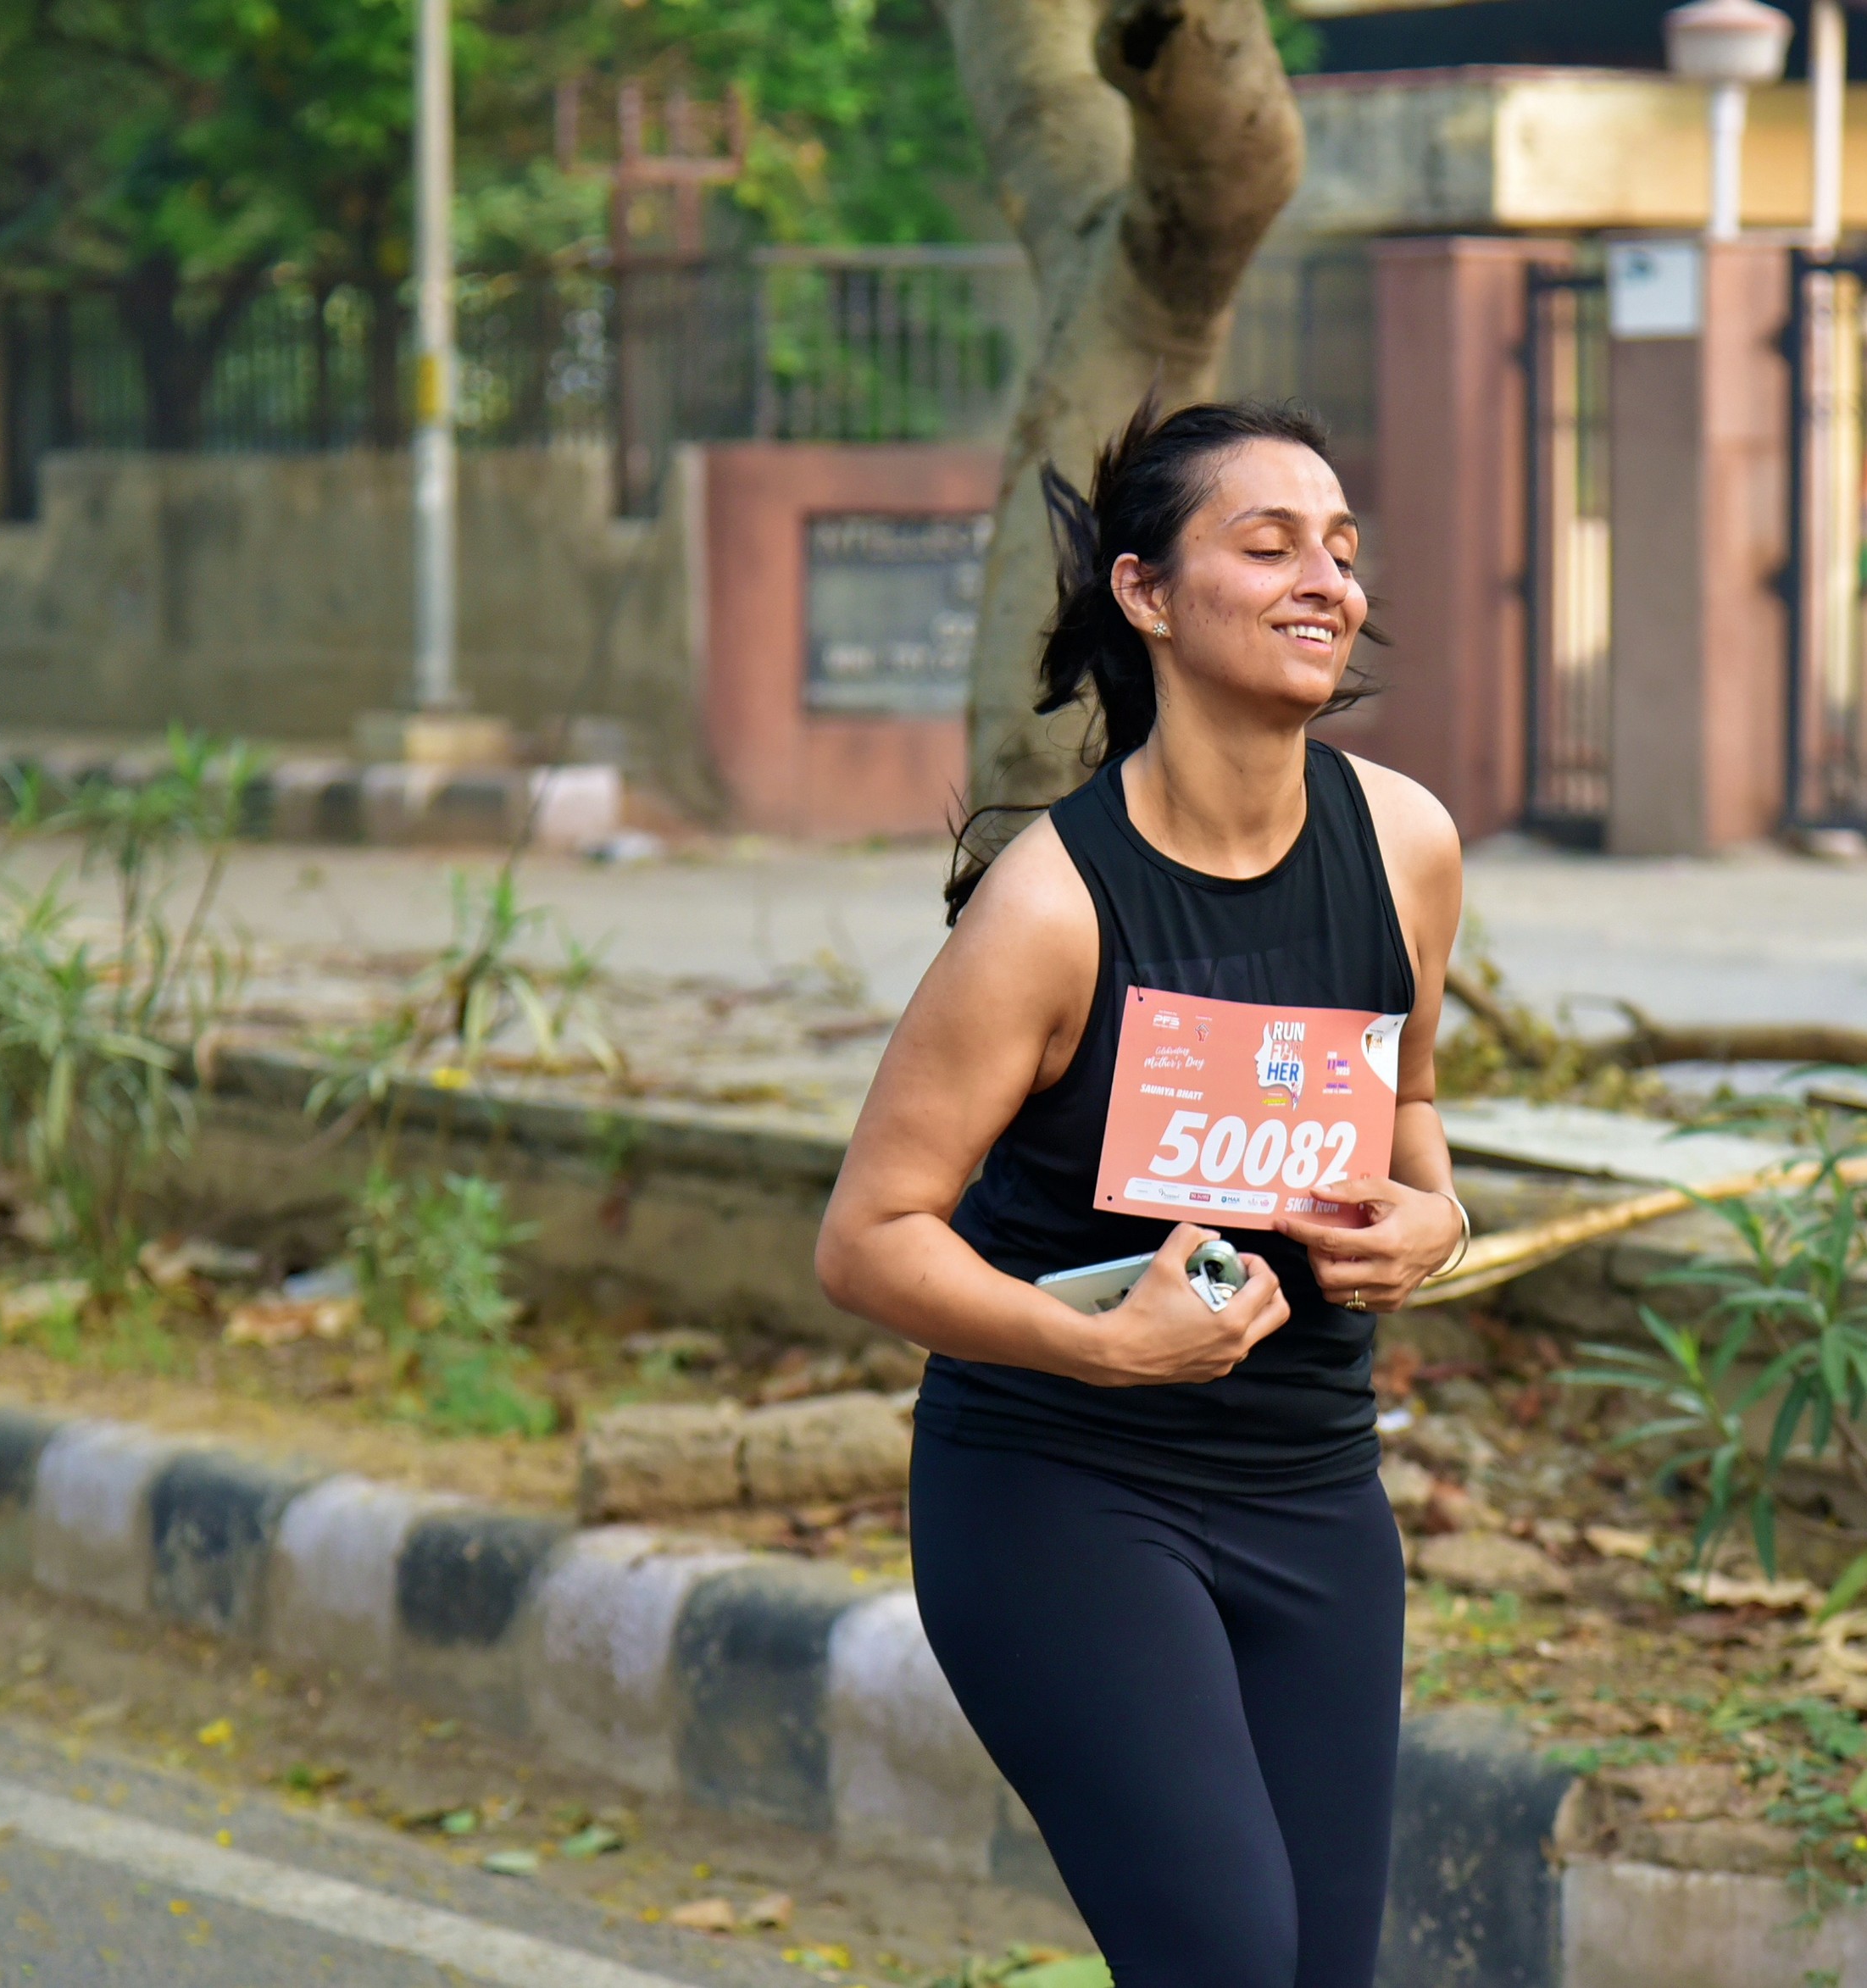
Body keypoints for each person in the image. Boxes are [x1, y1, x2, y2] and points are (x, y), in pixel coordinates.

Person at [815, 396, 1466, 1988]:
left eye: (1341, 550)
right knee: (1228, 1961)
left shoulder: (1405, 844)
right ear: (1146, 593)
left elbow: (1412, 1108)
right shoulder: (1052, 906)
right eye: (1270, 544)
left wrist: (1435, 1221)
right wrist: (1103, 1347)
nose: (1326, 580)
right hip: (1062, 1488)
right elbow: (868, 1239)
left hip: (1314, 1482)